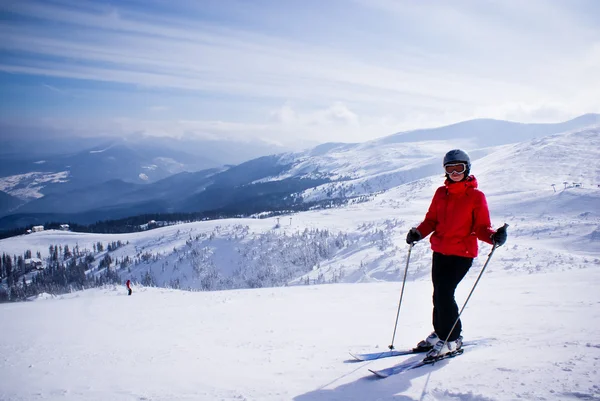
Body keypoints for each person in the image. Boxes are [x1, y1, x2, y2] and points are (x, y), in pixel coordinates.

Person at [406, 149, 507, 359]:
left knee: (445, 294)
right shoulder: (440, 194)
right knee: (438, 294)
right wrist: (418, 233)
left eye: (458, 168)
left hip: (462, 253)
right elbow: (431, 221)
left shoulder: (476, 197)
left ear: (466, 168)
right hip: (440, 251)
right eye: (449, 168)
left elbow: (481, 227)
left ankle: (452, 339)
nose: (454, 173)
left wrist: (493, 237)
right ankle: (441, 333)